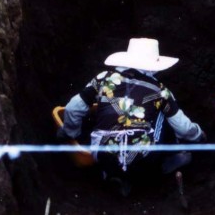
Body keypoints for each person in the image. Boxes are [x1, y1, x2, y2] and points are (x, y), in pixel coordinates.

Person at [58, 38, 205, 196]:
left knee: (106, 115)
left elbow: (73, 108)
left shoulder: (103, 78)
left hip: (102, 153)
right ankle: (165, 161)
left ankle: (113, 174)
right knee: (163, 112)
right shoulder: (160, 90)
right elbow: (183, 128)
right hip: (143, 158)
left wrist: (70, 132)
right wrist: (198, 134)